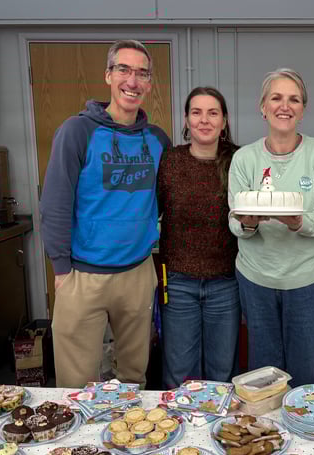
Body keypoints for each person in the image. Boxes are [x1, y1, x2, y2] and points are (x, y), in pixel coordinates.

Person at [40, 40, 171, 389]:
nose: (133, 80)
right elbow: (54, 202)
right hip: (82, 275)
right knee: (76, 384)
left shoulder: (157, 140)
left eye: (142, 73)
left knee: (133, 378)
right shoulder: (78, 131)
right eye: (124, 70)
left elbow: (164, 200)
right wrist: (61, 268)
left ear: (149, 83)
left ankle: (132, 444)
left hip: (138, 273)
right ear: (109, 75)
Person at [228, 68, 314, 388]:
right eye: (276, 98)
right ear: (262, 107)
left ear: (303, 109)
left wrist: (299, 222)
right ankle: (266, 437)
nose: (285, 105)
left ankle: (305, 433)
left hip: (310, 279)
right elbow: (234, 220)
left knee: (303, 373)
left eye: (294, 99)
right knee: (264, 376)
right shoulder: (244, 159)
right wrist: (247, 223)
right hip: (256, 279)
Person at [157, 87, 241, 389]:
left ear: (224, 120)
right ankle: (182, 431)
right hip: (178, 283)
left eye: (212, 112)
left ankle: (219, 433)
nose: (204, 120)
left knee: (222, 372)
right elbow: (149, 212)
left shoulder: (239, 161)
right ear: (186, 119)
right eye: (196, 112)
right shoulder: (170, 162)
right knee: (180, 373)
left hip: (226, 282)